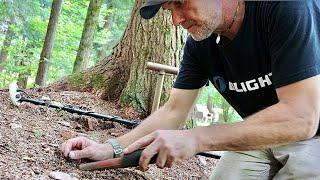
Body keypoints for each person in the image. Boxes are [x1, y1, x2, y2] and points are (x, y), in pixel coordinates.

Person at [61, 0, 320, 179]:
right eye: (169, 9)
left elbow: (302, 118)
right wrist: (112, 147)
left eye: (181, 2)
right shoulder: (201, 45)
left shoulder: (285, 8)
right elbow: (174, 110)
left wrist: (196, 138)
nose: (176, 20)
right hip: (260, 132)